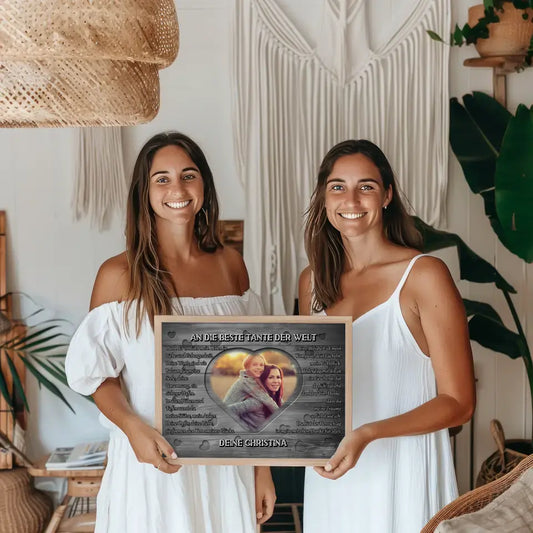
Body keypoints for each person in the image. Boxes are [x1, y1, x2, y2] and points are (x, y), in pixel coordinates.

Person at [65, 132, 275, 533]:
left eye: (188, 175)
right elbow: (98, 376)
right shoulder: (118, 274)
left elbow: (256, 374)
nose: (177, 189)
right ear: (144, 193)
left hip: (227, 463)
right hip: (152, 463)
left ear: (204, 185)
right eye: (161, 179)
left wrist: (261, 468)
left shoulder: (231, 264)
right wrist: (133, 428)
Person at [299, 140, 475, 533]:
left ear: (387, 195)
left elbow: (459, 403)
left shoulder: (424, 275)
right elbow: (310, 391)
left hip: (403, 475)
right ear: (324, 197)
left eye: (366, 186)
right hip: (332, 477)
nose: (351, 199)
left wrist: (368, 434)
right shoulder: (311, 282)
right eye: (338, 187)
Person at [224, 354, 279, 430]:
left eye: (261, 365)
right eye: (255, 364)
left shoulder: (252, 379)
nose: (259, 367)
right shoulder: (247, 381)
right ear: (247, 367)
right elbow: (266, 399)